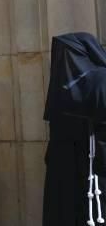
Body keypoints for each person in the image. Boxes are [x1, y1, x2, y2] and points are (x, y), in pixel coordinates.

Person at [43, 32, 106, 226]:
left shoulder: (100, 81)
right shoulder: (64, 91)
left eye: (67, 55)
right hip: (68, 177)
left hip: (96, 175)